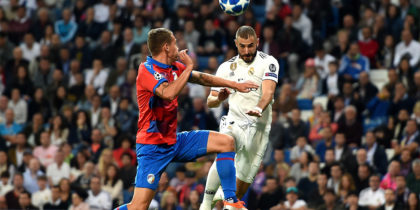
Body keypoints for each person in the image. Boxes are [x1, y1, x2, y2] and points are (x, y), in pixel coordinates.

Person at [115, 28, 257, 210]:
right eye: (175, 42)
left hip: (174, 141)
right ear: (166, 47)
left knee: (226, 142)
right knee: (138, 207)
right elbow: (167, 93)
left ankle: (230, 200)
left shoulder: (174, 67)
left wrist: (235, 85)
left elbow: (202, 78)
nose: (178, 46)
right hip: (152, 148)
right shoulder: (146, 69)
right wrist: (189, 67)